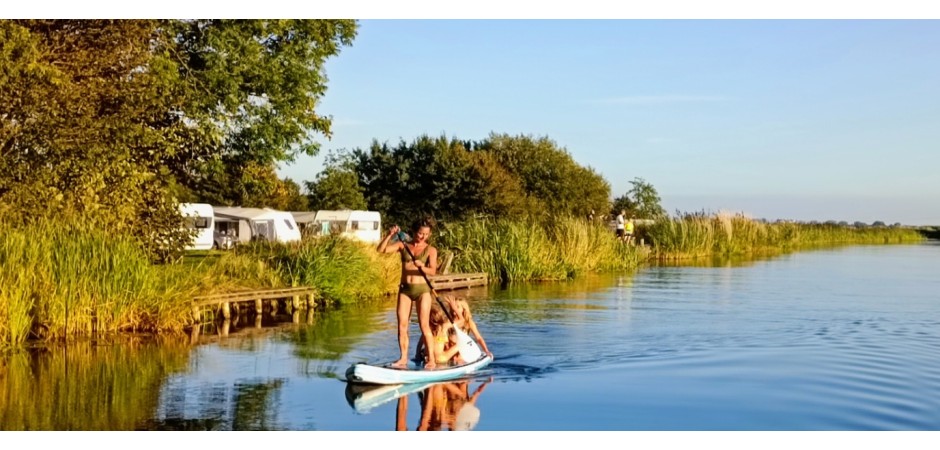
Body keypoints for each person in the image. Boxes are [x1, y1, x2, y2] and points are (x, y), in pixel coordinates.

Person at [377, 218, 440, 368]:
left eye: (426, 234)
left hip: (422, 291)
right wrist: (389, 235)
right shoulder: (402, 245)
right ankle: (403, 358)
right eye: (420, 233)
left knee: (424, 325)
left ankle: (431, 359)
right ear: (414, 231)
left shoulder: (431, 250)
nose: (422, 236)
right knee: (402, 325)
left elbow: (432, 272)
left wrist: (421, 267)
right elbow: (381, 250)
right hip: (405, 290)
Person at [446, 296, 493, 361]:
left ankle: (459, 359)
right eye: (453, 306)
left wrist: (486, 350)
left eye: (457, 307)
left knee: (459, 358)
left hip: (462, 348)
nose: (454, 309)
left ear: (463, 309)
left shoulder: (469, 322)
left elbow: (478, 338)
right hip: (450, 348)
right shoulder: (448, 321)